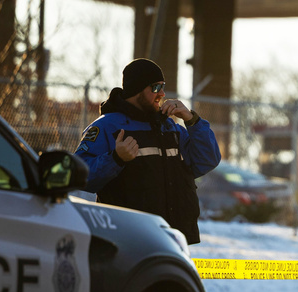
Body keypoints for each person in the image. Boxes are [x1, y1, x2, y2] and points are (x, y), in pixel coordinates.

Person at [75, 58, 221, 244]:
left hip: (173, 238)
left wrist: (191, 119)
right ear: (137, 89)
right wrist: (116, 159)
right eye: (155, 87)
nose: (162, 93)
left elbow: (207, 160)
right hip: (128, 240)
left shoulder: (168, 126)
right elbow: (80, 174)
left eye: (163, 86)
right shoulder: (106, 126)